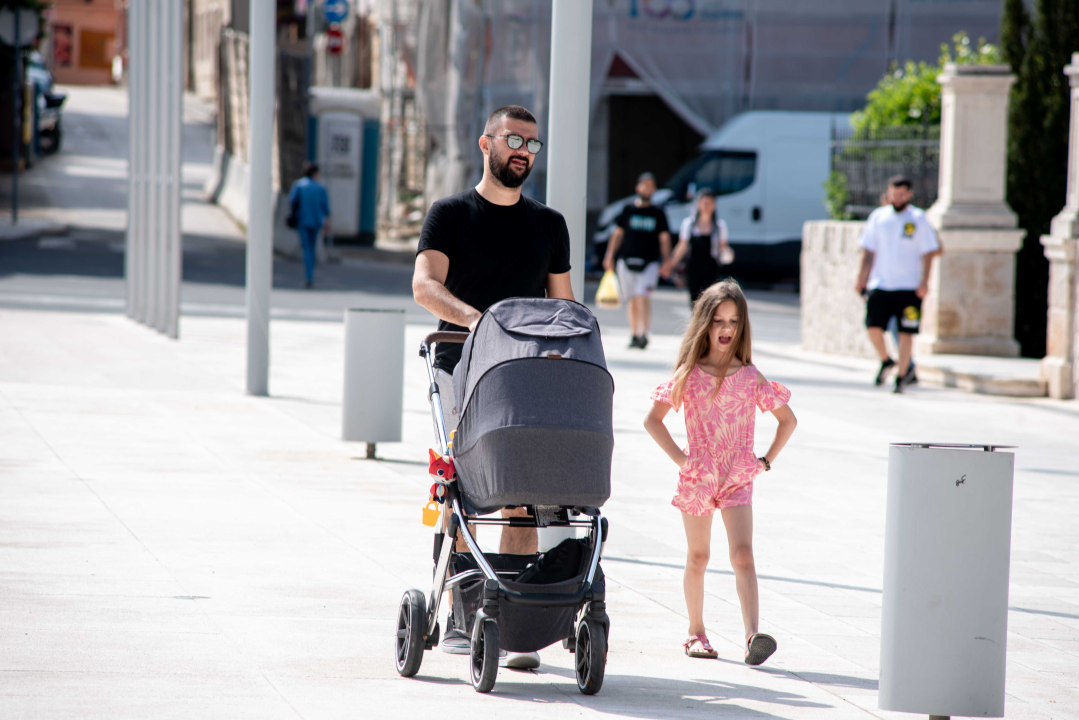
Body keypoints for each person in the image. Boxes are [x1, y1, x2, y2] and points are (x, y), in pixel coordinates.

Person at [412, 105, 573, 668]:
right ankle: (461, 611)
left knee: (522, 492)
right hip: (461, 362)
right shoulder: (450, 214)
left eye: (532, 142)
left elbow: (563, 305)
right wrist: (481, 322)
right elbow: (424, 286)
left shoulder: (549, 225)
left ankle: (511, 622)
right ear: (486, 143)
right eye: (513, 139)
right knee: (469, 487)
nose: (523, 149)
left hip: (524, 372)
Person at [644, 280, 797, 664]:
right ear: (704, 325)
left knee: (743, 555)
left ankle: (751, 637)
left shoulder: (749, 376)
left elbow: (788, 421)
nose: (726, 329)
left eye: (733, 321)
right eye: (717, 321)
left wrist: (763, 462)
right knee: (699, 556)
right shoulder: (689, 374)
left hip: (737, 476)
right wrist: (684, 461)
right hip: (698, 477)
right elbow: (653, 421)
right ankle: (696, 632)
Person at [854, 175, 940, 393]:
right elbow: (868, 250)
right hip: (881, 284)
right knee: (873, 327)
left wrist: (925, 282)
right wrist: (861, 278)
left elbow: (930, 251)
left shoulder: (918, 218)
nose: (898, 197)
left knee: (906, 333)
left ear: (909, 194)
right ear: (889, 192)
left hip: (909, 287)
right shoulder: (878, 217)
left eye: (902, 193)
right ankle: (886, 360)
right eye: (894, 193)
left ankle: (902, 377)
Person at [602, 172, 672, 349]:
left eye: (650, 185)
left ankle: (644, 333)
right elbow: (617, 234)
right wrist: (610, 255)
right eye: (644, 185)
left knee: (643, 297)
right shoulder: (628, 209)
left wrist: (667, 261)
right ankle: (634, 334)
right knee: (632, 299)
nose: (647, 188)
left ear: (654, 189)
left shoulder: (658, 213)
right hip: (626, 262)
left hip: (650, 263)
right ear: (637, 187)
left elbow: (664, 239)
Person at [661, 188, 732, 305]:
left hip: (711, 269)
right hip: (693, 269)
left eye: (710, 203)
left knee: (709, 302)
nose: (706, 206)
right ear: (698, 204)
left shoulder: (720, 226)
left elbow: (723, 246)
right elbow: (682, 246)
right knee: (694, 303)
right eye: (704, 203)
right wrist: (670, 264)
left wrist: (727, 252)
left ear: (714, 205)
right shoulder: (689, 224)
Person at [287, 163, 331, 289]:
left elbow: (292, 201)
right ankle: (310, 275)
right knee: (311, 248)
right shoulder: (320, 188)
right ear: (315, 173)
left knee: (307, 249)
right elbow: (326, 209)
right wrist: (327, 224)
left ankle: (308, 277)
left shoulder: (298, 185)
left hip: (302, 221)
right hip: (316, 222)